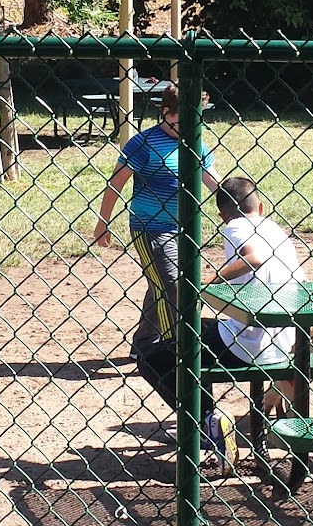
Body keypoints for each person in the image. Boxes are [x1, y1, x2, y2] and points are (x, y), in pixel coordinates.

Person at [125, 175, 305, 470]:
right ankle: (209, 420)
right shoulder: (275, 230)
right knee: (190, 334)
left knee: (152, 359)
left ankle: (209, 422)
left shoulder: (235, 226)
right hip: (285, 339)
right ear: (261, 207)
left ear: (221, 214)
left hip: (249, 344)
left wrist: (206, 281)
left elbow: (255, 257)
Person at [90, 91, 227, 451]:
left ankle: (143, 345)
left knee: (159, 285)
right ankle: (175, 350)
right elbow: (116, 183)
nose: (190, 128)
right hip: (150, 228)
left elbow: (212, 181)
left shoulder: (195, 141)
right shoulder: (143, 143)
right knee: (174, 289)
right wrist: (103, 223)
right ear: (166, 113)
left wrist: (239, 207)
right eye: (183, 121)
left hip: (185, 228)